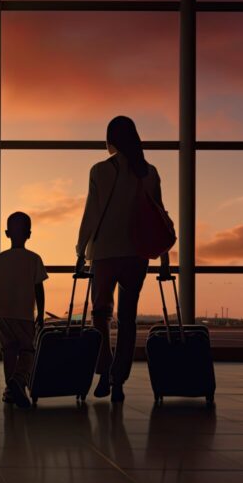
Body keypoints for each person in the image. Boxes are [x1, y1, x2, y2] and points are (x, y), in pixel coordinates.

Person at [76, 116, 171, 403]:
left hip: (105, 252)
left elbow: (92, 213)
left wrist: (80, 250)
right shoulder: (149, 172)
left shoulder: (100, 170)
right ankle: (119, 380)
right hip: (137, 254)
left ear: (110, 140)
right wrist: (164, 257)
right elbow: (159, 217)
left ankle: (103, 370)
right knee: (128, 320)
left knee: (100, 316)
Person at [0, 211, 47, 409]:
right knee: (27, 350)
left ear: (7, 233)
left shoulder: (0, 258)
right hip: (24, 315)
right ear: (29, 234)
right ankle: (18, 380)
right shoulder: (34, 259)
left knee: (9, 352)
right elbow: (39, 288)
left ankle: (10, 389)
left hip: (3, 313)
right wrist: (41, 312)